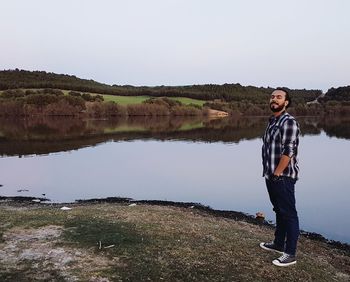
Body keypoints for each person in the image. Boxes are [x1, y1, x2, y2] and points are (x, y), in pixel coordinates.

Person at [260, 88, 300, 267]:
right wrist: (270, 173)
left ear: (286, 102)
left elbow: (288, 151)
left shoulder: (288, 122)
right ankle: (278, 243)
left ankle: (290, 254)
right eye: (272, 96)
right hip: (270, 175)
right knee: (279, 211)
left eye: (279, 97)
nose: (274, 99)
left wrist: (277, 173)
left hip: (282, 176)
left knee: (289, 214)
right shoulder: (273, 121)